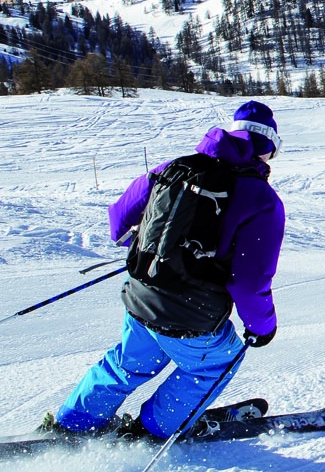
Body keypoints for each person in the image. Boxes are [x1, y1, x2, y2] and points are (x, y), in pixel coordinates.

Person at [43, 101, 287, 439]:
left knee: (128, 362)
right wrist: (262, 327)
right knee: (216, 362)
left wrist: (160, 249)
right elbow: (248, 281)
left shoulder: (174, 168)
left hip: (142, 293)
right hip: (194, 313)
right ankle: (153, 429)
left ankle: (74, 423)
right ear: (268, 148)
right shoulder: (262, 199)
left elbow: (118, 223)